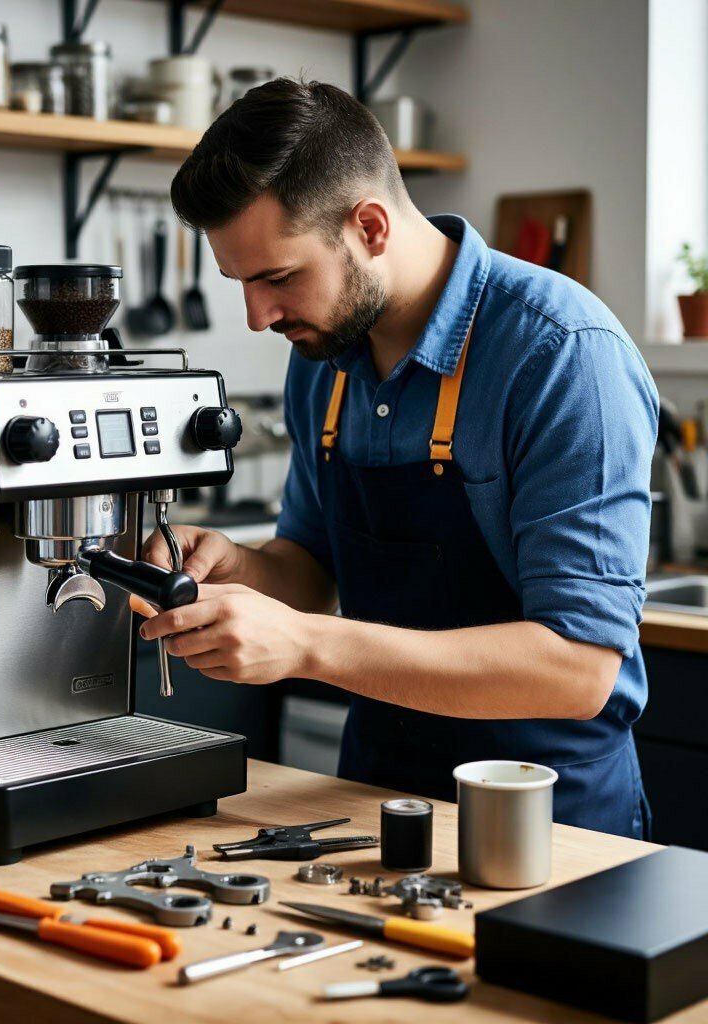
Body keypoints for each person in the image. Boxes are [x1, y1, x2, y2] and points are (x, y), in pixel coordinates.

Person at [138, 78, 658, 839]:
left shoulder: (561, 354)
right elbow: (310, 571)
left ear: (370, 226)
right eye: (241, 284)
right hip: (373, 798)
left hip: (547, 816)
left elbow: (578, 669)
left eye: (277, 277)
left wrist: (306, 645)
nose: (257, 317)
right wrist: (237, 567)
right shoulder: (322, 358)